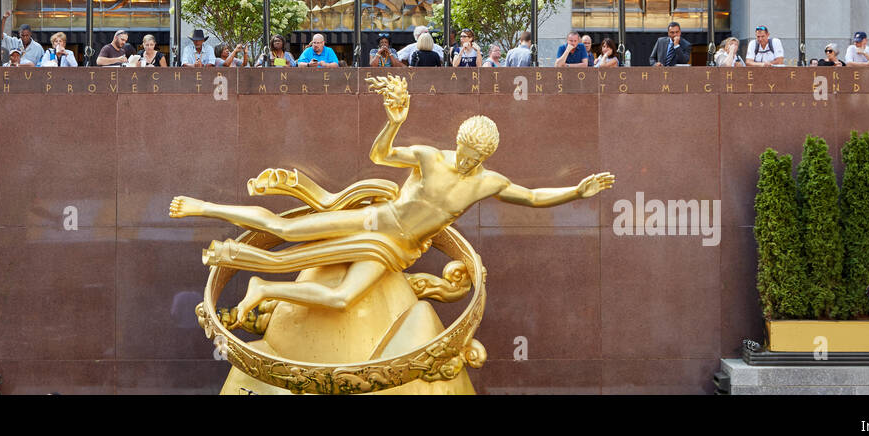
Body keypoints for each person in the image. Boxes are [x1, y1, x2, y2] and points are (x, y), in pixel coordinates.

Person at [169, 76, 615, 322]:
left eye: (474, 157)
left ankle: (264, 286)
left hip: (396, 251)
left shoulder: (488, 182)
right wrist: (394, 121)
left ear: (486, 157)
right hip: (373, 222)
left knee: (344, 299)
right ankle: (204, 207)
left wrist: (577, 190)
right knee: (284, 228)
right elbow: (379, 154)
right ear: (457, 142)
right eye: (462, 150)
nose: (463, 160)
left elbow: (534, 197)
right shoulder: (428, 157)